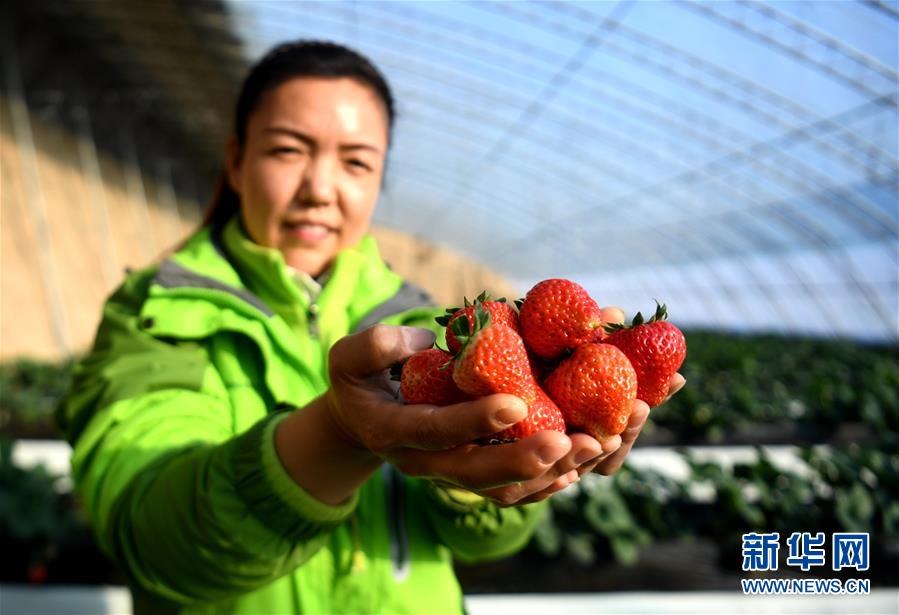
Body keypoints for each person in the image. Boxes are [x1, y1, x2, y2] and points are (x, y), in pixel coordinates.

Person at [57, 40, 684, 614]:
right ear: (236, 160)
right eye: (287, 150)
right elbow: (157, 545)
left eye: (355, 163)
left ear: (380, 179)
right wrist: (339, 432)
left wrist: (498, 474)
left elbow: (482, 543)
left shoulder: (424, 321)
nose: (320, 188)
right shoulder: (157, 315)